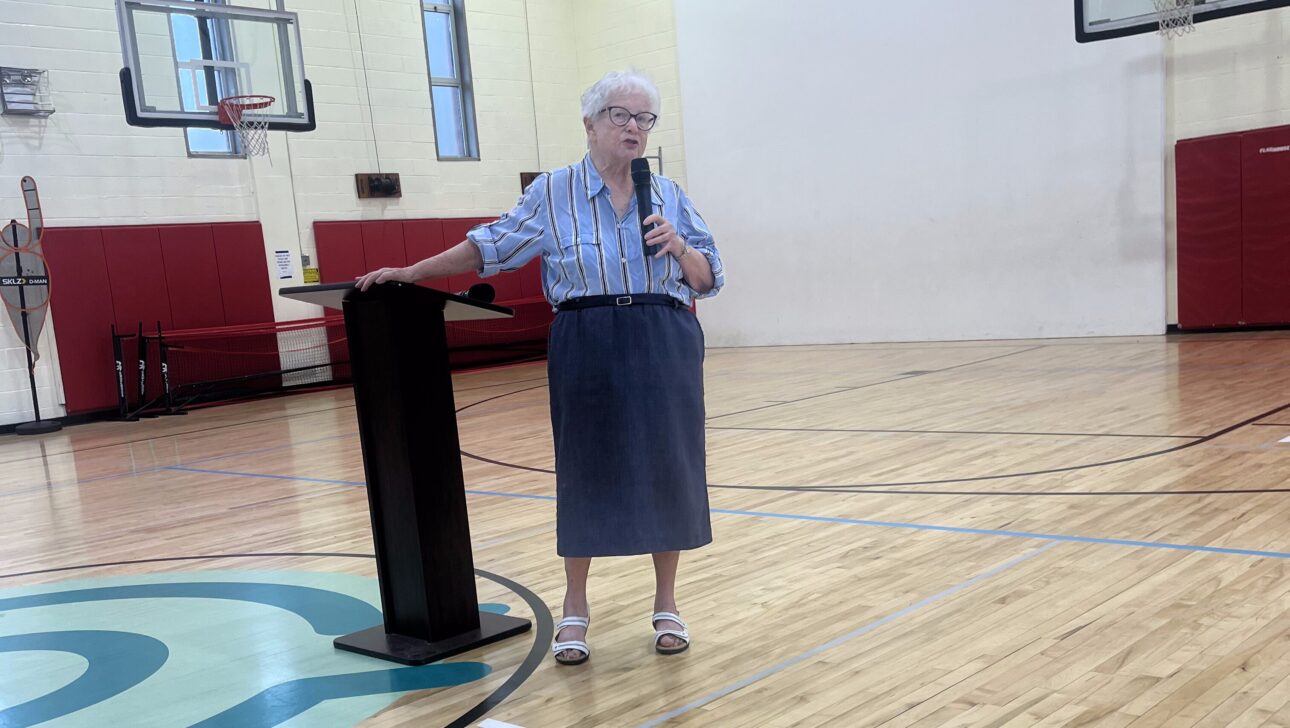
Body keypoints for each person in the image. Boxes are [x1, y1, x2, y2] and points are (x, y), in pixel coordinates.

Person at [356, 69, 724, 666]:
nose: (634, 128)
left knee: (668, 466)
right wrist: (412, 272)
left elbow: (709, 280)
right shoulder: (553, 192)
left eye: (645, 119)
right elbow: (489, 246)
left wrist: (679, 246)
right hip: (586, 335)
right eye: (620, 116)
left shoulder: (672, 196)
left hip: (664, 335)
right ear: (590, 123)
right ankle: (575, 606)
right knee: (585, 467)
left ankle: (666, 603)